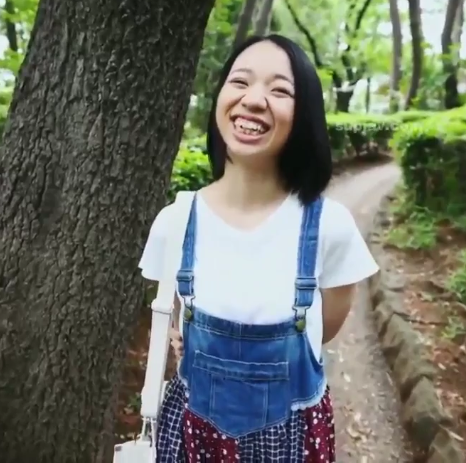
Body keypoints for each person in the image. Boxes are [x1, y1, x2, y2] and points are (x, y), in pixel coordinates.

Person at [138, 34, 379, 462]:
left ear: (304, 114)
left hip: (292, 447)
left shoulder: (330, 227)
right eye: (240, 81)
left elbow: (325, 328)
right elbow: (176, 320)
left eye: (279, 90)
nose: (253, 100)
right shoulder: (175, 222)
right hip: (191, 442)